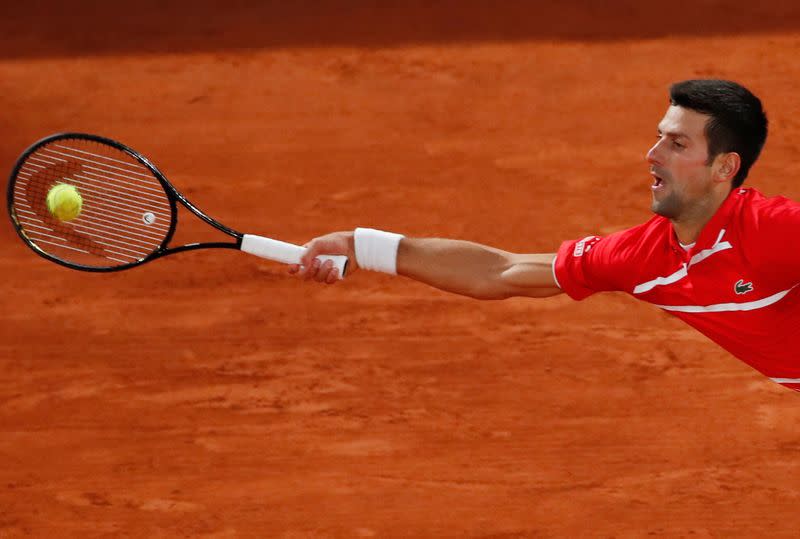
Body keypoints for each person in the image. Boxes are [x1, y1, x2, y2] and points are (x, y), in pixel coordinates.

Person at [289, 79, 800, 392]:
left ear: (724, 167)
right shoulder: (645, 258)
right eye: (658, 136)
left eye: (677, 142)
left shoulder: (770, 229)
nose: (653, 153)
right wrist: (362, 245)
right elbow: (502, 271)